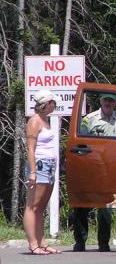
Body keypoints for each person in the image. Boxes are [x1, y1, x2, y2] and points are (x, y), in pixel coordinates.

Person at [73, 93, 116, 252]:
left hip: (114, 169)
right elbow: (79, 144)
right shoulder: (88, 120)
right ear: (100, 100)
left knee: (107, 207)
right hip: (91, 169)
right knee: (82, 205)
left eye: (111, 100)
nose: (108, 103)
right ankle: (80, 241)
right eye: (105, 99)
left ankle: (104, 243)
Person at [24, 90, 62, 255]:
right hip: (38, 166)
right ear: (47, 104)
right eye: (53, 102)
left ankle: (42, 242)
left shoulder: (45, 120)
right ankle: (33, 244)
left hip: (49, 165)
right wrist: (32, 172)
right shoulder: (34, 122)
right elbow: (30, 149)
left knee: (41, 207)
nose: (55, 105)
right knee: (32, 206)